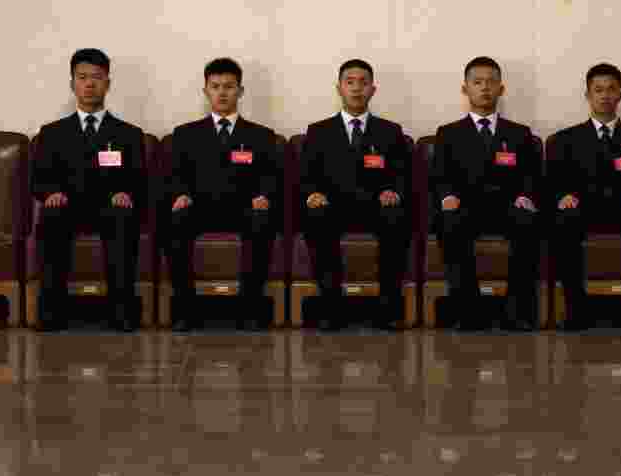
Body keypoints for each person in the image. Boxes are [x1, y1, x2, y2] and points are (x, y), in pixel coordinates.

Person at [163, 58, 282, 332]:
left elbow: (270, 176)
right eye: (215, 86)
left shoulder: (261, 135)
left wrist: (264, 195)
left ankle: (250, 309)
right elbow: (175, 175)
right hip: (199, 208)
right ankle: (185, 310)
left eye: (229, 86)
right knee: (175, 220)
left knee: (262, 220)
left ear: (240, 91)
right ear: (206, 91)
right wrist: (180, 194)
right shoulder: (185, 134)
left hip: (245, 209)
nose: (222, 93)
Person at [31, 48, 146, 332]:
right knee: (51, 216)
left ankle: (122, 312)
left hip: (110, 207)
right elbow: (39, 179)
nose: (90, 84)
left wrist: (127, 192)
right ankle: (51, 313)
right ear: (72, 84)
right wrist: (50, 193)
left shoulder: (129, 134)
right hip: (67, 206)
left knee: (123, 216)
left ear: (108, 83)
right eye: (82, 77)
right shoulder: (52, 133)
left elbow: (139, 178)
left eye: (97, 77)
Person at [546, 62, 621, 331]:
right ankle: (576, 311)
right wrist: (563, 196)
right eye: (598, 90)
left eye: (611, 89)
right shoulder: (566, 139)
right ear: (588, 95)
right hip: (583, 210)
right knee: (564, 218)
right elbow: (554, 180)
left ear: (620, 95)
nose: (605, 95)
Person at [430, 56, 542, 331]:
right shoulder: (448, 133)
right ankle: (468, 311)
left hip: (507, 208)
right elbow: (440, 176)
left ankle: (518, 313)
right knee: (449, 222)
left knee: (528, 221)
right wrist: (447, 197)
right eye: (477, 82)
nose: (484, 88)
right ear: (465, 88)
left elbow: (531, 175)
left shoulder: (519, 133)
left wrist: (526, 196)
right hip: (465, 208)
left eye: (491, 82)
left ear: (501, 89)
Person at [299, 59, 412, 331]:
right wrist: (312, 194)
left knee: (396, 216)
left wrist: (393, 192)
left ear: (373, 89)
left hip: (376, 207)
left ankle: (388, 308)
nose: (357, 88)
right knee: (317, 216)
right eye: (350, 82)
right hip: (333, 206)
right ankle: (331, 307)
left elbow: (402, 174)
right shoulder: (318, 131)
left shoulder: (390, 131)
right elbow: (306, 175)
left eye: (363, 83)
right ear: (339, 88)